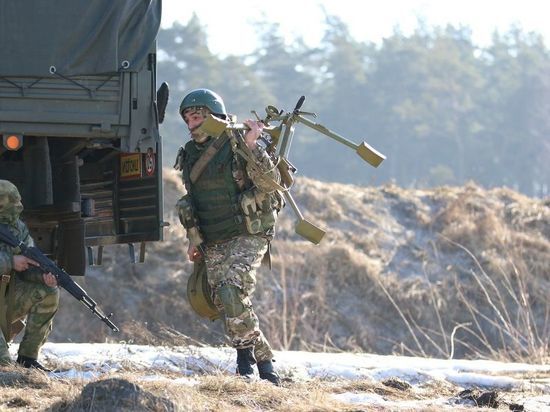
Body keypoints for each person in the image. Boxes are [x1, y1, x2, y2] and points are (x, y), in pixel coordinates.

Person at [175, 88, 283, 385]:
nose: (192, 121)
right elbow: (193, 198)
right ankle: (247, 357)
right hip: (213, 235)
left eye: (197, 115)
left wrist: (252, 146)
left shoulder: (237, 142)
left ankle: (261, 362)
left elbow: (270, 183)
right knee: (223, 302)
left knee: (231, 292)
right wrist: (193, 240)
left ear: (213, 115)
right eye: (187, 117)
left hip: (248, 232)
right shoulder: (189, 153)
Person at [0, 180, 59, 371]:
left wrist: (42, 277)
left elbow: (29, 263)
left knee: (48, 291)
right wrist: (11, 261)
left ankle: (28, 358)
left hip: (6, 298)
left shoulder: (18, 229)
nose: (16, 210)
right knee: (4, 368)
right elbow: (15, 261)